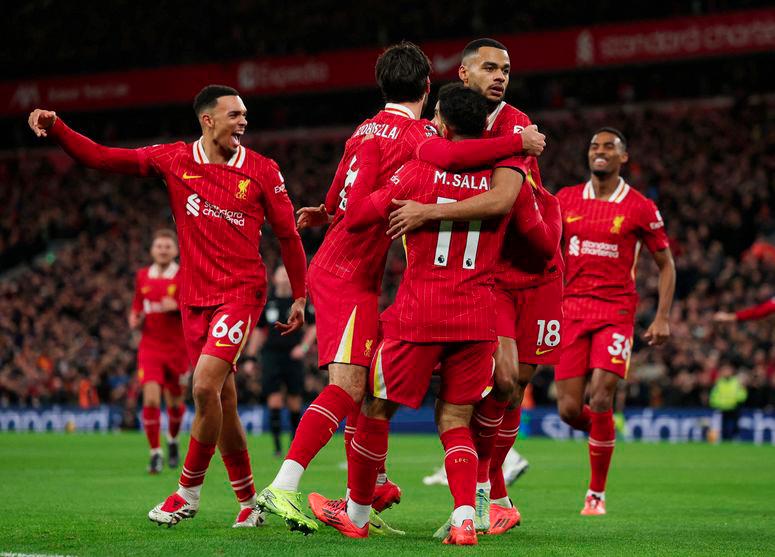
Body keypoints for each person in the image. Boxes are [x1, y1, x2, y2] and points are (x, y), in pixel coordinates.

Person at [258, 41, 543, 535]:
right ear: (429, 86)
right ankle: (461, 510)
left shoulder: (378, 136)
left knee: (367, 394)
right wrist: (520, 145)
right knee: (440, 411)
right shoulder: (494, 173)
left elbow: (358, 203)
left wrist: (332, 212)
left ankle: (356, 501)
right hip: (459, 305)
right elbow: (537, 238)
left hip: (391, 293)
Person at [28, 84, 308, 529]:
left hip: (241, 291)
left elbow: (289, 235)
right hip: (194, 300)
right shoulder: (174, 159)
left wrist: (299, 293)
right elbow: (103, 157)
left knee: (202, 388)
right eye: (234, 115)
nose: (243, 122)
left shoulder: (262, 170)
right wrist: (58, 128)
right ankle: (250, 501)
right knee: (224, 401)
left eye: (245, 115)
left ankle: (187, 493)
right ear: (207, 119)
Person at [309, 83, 519, 545]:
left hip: (418, 314)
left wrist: (349, 188)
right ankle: (466, 517)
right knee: (455, 420)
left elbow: (362, 214)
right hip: (477, 315)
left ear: (440, 123)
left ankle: (359, 515)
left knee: (374, 406)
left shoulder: (418, 171)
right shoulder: (502, 178)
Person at [386, 37, 562, 535]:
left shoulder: (519, 123)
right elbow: (430, 154)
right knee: (502, 380)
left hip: (535, 267)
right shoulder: (449, 127)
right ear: (463, 75)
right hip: (486, 277)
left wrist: (428, 211)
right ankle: (489, 495)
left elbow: (505, 200)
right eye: (489, 67)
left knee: (514, 385)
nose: (500, 75)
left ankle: (487, 495)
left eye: (505, 68)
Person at [555, 127, 675, 515]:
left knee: (602, 395)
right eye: (594, 146)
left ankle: (596, 494)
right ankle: (604, 432)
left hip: (616, 312)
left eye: (609, 146)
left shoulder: (640, 207)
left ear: (624, 157)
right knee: (570, 411)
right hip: (571, 311)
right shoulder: (566, 199)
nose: (600, 151)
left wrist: (661, 317)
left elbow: (666, 264)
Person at [129, 228, 190, 474]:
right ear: (152, 250)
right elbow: (136, 306)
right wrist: (134, 318)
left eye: (167, 246)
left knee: (175, 402)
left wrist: (177, 306)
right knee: (151, 398)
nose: (163, 250)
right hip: (150, 346)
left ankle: (173, 441)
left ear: (175, 250)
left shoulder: (184, 274)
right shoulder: (142, 276)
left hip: (178, 348)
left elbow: (194, 307)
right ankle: (155, 453)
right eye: (159, 246)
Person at [247, 265, 316, 457]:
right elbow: (259, 331)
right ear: (275, 279)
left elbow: (313, 327)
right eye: (281, 274)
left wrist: (302, 348)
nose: (285, 278)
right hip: (271, 355)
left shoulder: (299, 302)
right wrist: (251, 357)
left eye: (288, 274)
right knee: (274, 400)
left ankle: (294, 446)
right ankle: (277, 447)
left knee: (294, 400)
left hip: (292, 355)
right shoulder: (268, 302)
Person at [709, 364, 748, 441]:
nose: (726, 372)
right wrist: (717, 404)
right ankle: (724, 440)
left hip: (734, 408)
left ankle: (735, 438)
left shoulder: (736, 382)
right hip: (722, 409)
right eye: (725, 371)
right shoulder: (719, 382)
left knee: (735, 426)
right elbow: (713, 396)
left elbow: (743, 396)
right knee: (723, 427)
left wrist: (737, 399)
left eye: (728, 371)